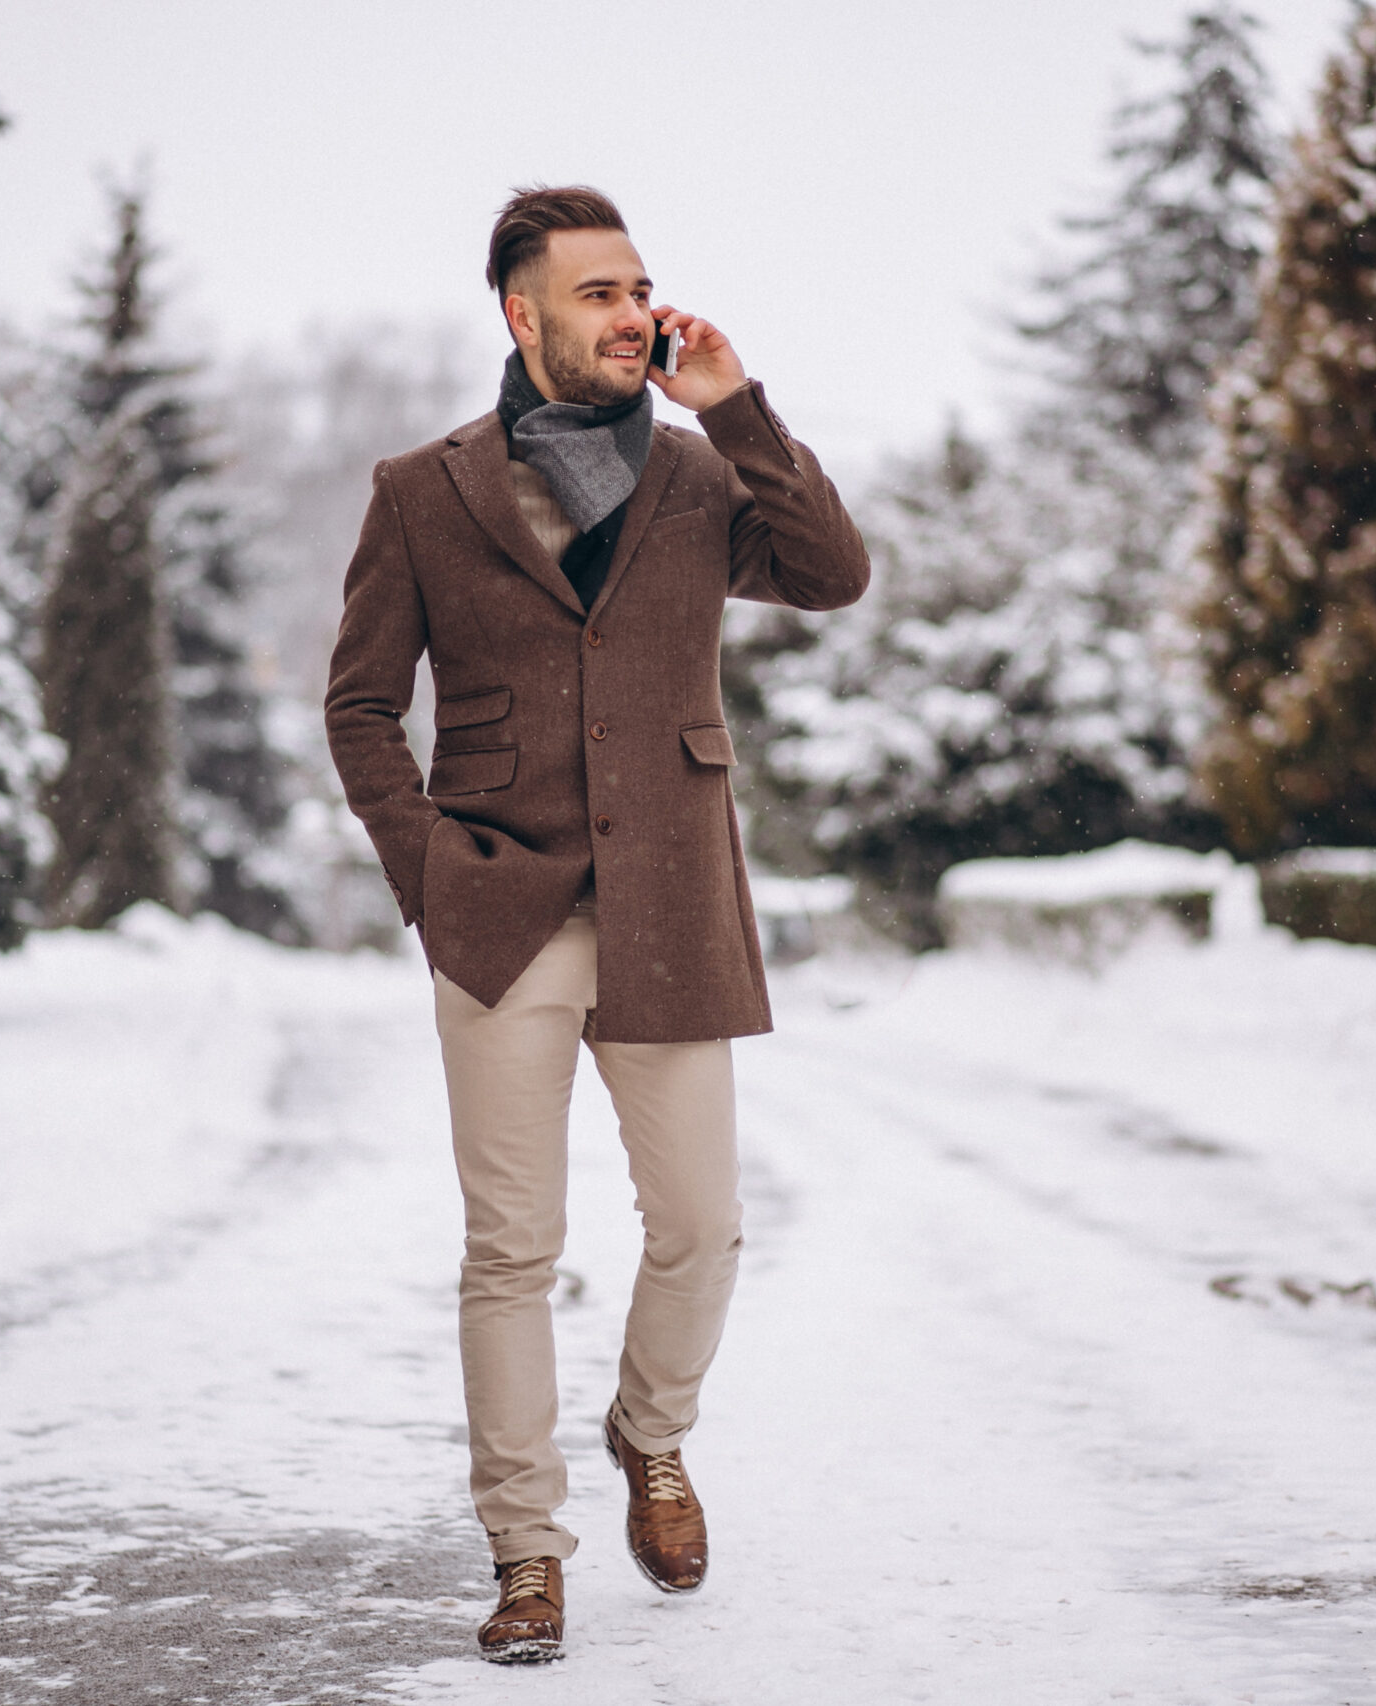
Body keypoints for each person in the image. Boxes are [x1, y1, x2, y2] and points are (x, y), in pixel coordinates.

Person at [324, 184, 871, 1663]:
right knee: (513, 1244)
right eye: (598, 292)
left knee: (700, 1223)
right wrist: (427, 870)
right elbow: (362, 706)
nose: (633, 311)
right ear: (523, 314)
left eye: (643, 287)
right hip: (499, 908)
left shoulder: (700, 481)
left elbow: (833, 571)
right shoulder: (422, 491)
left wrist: (741, 405)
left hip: (674, 902)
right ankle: (526, 1552)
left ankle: (651, 1434)